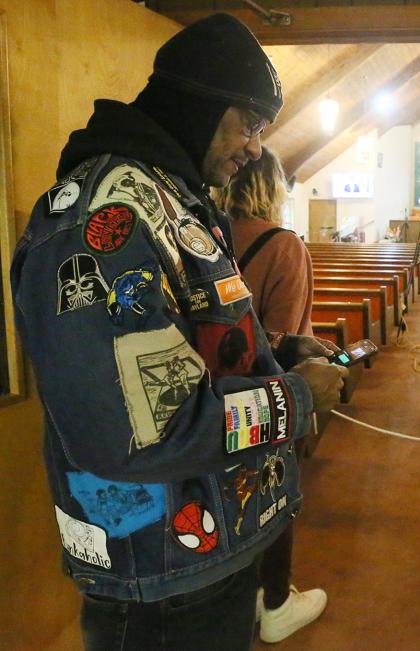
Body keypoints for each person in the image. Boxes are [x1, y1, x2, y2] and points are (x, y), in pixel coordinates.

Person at [11, 14, 347, 650]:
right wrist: (296, 399)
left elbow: (179, 346)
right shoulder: (104, 221)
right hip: (158, 565)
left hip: (208, 538)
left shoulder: (169, 198)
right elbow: (144, 431)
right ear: (199, 105)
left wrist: (271, 352)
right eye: (248, 123)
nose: (254, 148)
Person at [214, 147, 327, 643]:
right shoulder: (283, 245)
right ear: (275, 188)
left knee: (228, 495)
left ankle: (245, 593)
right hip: (265, 395)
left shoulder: (208, 235)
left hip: (214, 400)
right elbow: (284, 339)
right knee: (275, 491)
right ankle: (276, 601)